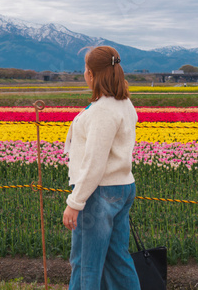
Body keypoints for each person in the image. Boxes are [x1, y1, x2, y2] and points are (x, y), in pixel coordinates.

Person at [63, 46, 140, 289]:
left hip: (99, 193)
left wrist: (75, 202)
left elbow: (95, 162)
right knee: (117, 260)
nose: (84, 74)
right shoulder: (124, 103)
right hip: (122, 186)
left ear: (92, 74)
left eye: (85, 69)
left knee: (86, 263)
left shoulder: (103, 111)